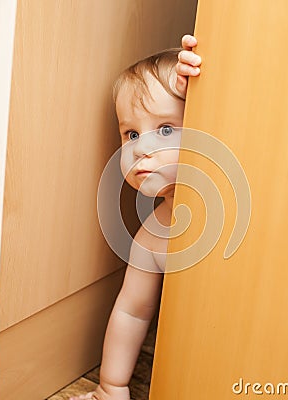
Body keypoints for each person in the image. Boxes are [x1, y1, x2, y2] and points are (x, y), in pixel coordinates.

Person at [70, 34, 201, 400]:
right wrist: (111, 385)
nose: (141, 148)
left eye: (163, 130)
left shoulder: (240, 211)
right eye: (130, 133)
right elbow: (131, 312)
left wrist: (211, 80)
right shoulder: (153, 235)